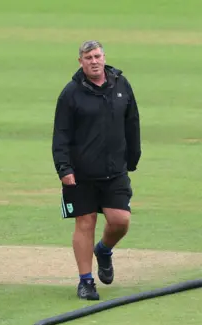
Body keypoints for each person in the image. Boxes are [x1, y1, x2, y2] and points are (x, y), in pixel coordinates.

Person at [52, 40, 142, 300]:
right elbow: (61, 135)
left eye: (97, 56)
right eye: (88, 57)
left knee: (120, 221)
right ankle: (86, 281)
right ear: (80, 61)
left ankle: (103, 250)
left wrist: (132, 158)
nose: (94, 61)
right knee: (85, 223)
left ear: (104, 58)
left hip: (115, 170)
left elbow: (132, 122)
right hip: (81, 173)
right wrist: (64, 168)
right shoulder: (70, 93)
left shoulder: (121, 85)